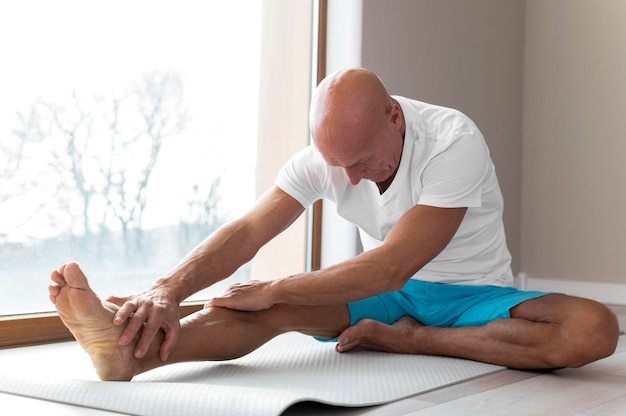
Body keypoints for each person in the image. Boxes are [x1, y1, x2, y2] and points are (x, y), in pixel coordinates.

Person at [49, 68, 619, 382]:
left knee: (594, 330)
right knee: (262, 309)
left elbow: (396, 263)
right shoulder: (329, 157)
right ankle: (130, 356)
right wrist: (166, 288)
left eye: (360, 162)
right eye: (334, 164)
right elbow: (248, 231)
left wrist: (271, 286)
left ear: (394, 118)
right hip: (383, 296)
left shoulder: (453, 141)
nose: (345, 178)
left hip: (473, 296)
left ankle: (414, 343)